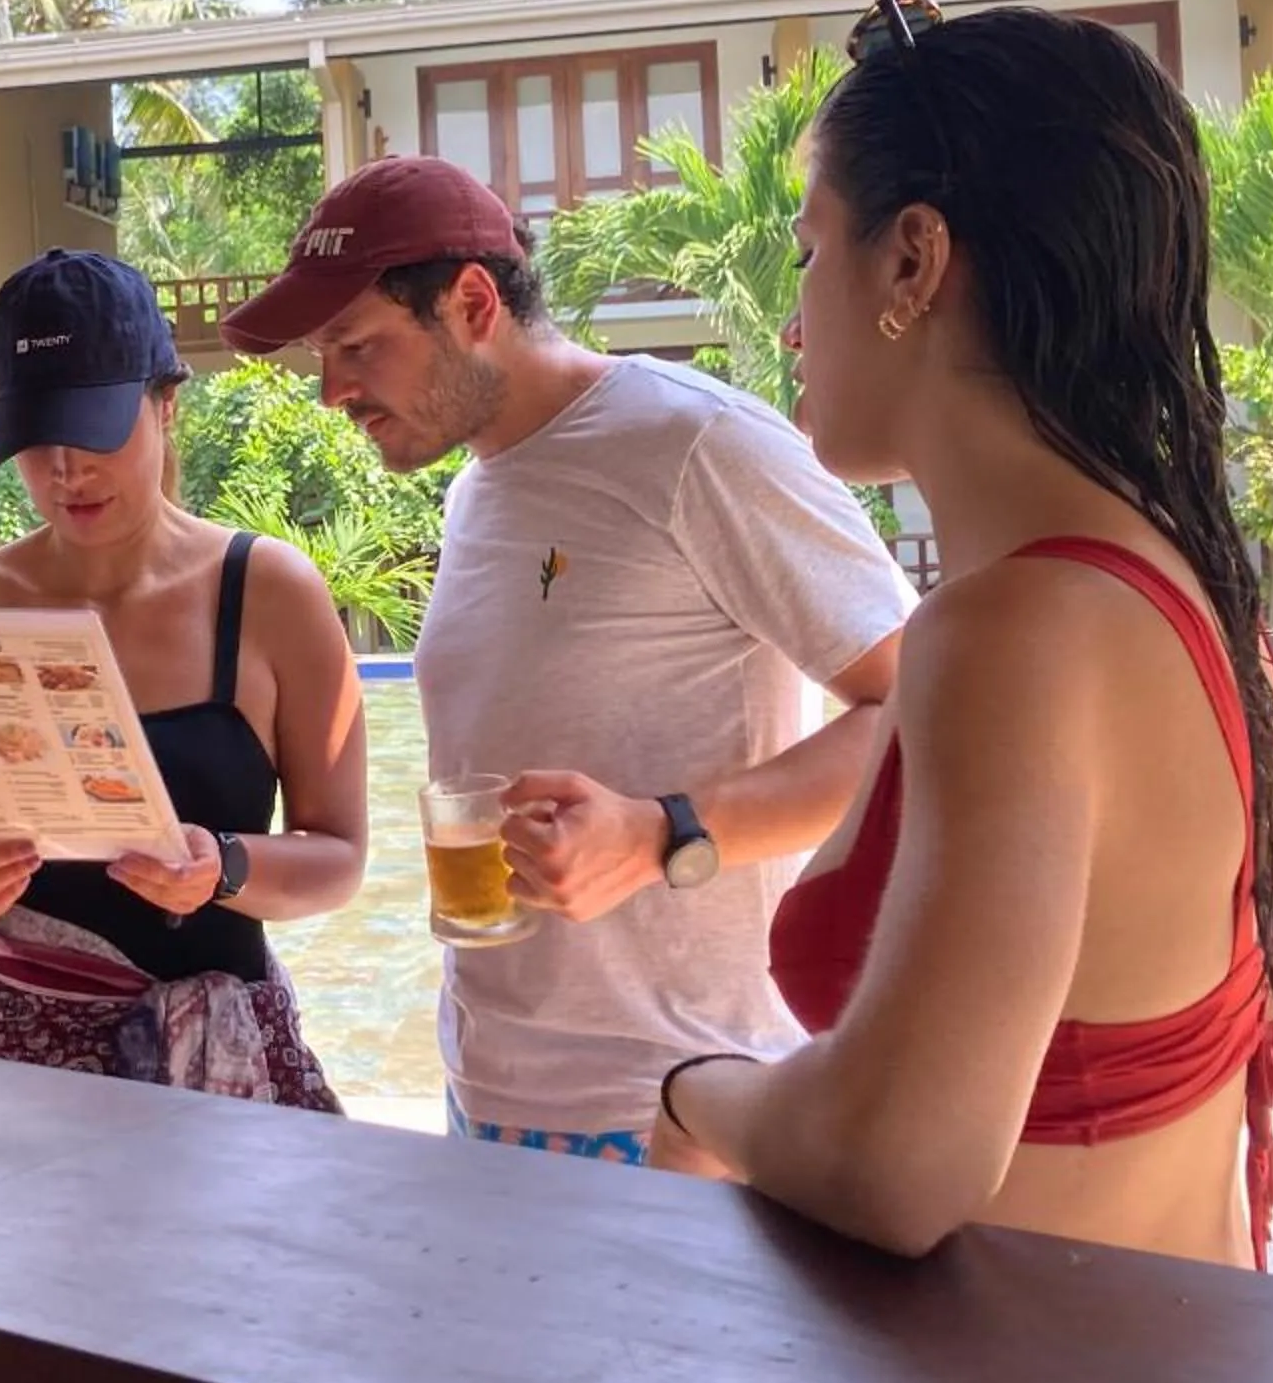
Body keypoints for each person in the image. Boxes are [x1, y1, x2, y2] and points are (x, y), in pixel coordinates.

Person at [652, 0, 1273, 1268]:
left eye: (812, 250)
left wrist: (696, 1093)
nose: (789, 320)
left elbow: (895, 1164)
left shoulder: (1008, 633)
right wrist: (1146, 1099)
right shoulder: (1177, 574)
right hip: (1171, 1381)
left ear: (914, 261)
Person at [221, 157, 912, 1159]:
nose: (332, 392)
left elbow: (920, 717)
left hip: (679, 1102)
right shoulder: (476, 494)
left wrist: (663, 832)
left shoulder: (695, 444)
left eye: (357, 347)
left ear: (470, 303)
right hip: (493, 1095)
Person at [0, 251, 367, 1106]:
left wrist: (223, 867)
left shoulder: (269, 594)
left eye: (97, 428)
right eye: (37, 438)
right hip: (8, 1059)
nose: (67, 469)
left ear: (166, 404)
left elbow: (341, 858)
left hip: (220, 1066)